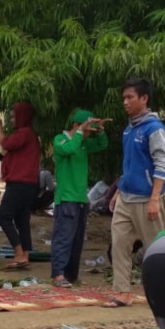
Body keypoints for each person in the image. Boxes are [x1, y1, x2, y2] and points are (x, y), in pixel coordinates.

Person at [106, 77, 165, 308]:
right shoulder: (128, 129)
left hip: (147, 198)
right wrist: (118, 191)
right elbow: (129, 163)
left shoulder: (155, 129)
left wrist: (155, 198)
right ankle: (122, 292)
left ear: (144, 99)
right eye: (124, 98)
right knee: (119, 244)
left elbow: (161, 164)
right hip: (126, 196)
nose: (125, 102)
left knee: (156, 248)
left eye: (130, 97)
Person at [51, 109, 109, 287]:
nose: (87, 135)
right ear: (76, 126)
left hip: (81, 199)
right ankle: (58, 275)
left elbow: (102, 145)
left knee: (77, 240)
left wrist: (100, 130)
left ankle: (71, 275)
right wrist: (79, 133)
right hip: (66, 198)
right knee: (64, 237)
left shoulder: (82, 143)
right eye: (86, 130)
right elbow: (68, 149)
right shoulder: (60, 140)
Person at [0, 103, 41, 269]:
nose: (12, 120)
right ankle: (25, 254)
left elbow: (5, 144)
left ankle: (19, 253)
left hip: (19, 183)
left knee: (4, 217)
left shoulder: (24, 133)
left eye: (14, 116)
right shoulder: (30, 135)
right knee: (22, 219)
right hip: (29, 184)